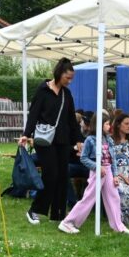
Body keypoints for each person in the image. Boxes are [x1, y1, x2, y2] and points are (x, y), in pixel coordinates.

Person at [21, 59, 84, 224]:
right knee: (51, 175)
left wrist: (79, 140)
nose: (69, 81)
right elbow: (33, 114)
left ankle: (58, 214)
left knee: (63, 177)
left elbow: (72, 120)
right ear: (59, 73)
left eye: (71, 79)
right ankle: (34, 210)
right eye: (67, 78)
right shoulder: (43, 90)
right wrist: (26, 134)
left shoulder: (66, 94)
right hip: (45, 141)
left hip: (63, 141)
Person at [58, 113, 129, 235]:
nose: (109, 126)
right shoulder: (90, 140)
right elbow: (84, 158)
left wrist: (115, 175)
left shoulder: (109, 139)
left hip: (108, 171)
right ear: (99, 124)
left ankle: (118, 226)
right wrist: (97, 166)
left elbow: (112, 159)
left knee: (114, 197)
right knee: (88, 198)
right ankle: (67, 222)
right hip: (97, 172)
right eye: (107, 124)